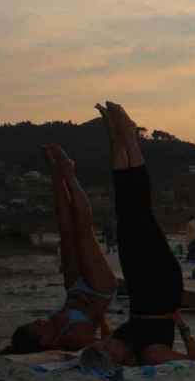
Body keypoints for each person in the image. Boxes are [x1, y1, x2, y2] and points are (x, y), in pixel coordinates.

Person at [81, 102, 195, 367]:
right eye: (108, 348)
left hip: (139, 290)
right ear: (119, 358)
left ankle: (117, 137)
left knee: (126, 212)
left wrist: (99, 321)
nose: (107, 342)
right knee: (141, 212)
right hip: (160, 288)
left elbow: (103, 333)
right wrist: (182, 327)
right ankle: (130, 138)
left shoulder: (121, 341)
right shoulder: (149, 354)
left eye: (103, 344)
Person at [7, 144, 118, 354]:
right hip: (98, 291)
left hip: (75, 287)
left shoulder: (54, 329)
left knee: (66, 231)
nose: (40, 321)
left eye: (36, 322)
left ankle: (57, 175)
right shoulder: (72, 338)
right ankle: (69, 173)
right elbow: (105, 342)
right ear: (43, 341)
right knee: (84, 233)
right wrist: (100, 316)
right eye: (38, 326)